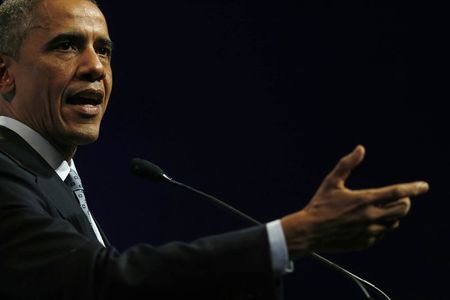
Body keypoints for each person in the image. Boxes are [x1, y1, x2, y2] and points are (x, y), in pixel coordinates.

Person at [0, 0, 429, 299]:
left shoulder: (49, 176)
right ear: (4, 74)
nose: (95, 66)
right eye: (67, 45)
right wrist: (292, 236)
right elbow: (100, 285)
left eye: (105, 50)